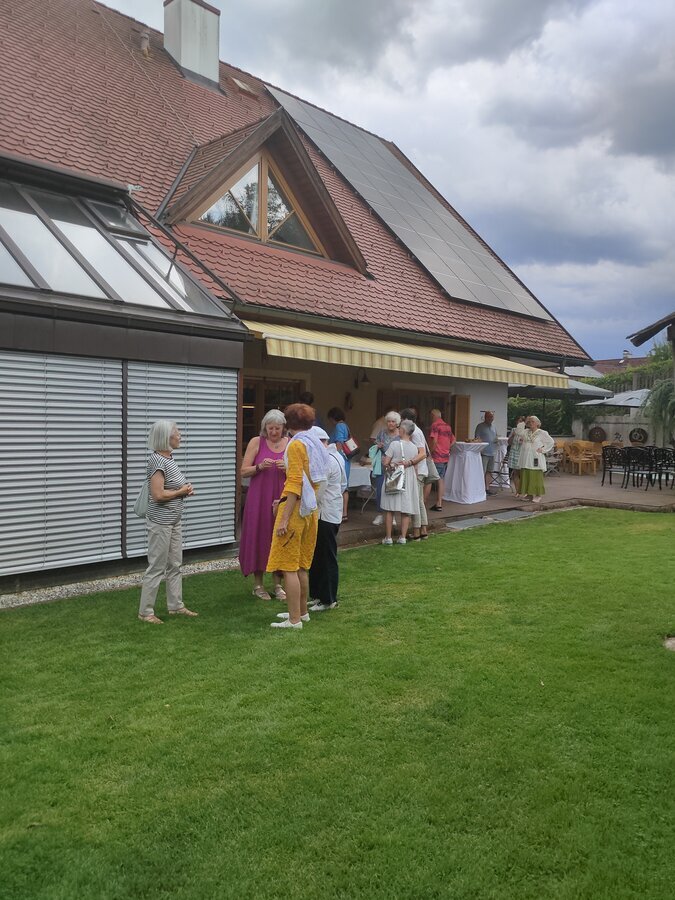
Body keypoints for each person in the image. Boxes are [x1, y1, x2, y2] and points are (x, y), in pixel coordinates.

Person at [268, 403, 328, 629]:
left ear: (288, 423)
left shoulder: (296, 445)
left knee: (289, 567)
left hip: (296, 509)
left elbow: (294, 483)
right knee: (302, 566)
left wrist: (283, 519)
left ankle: (294, 620)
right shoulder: (315, 443)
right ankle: (301, 613)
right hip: (311, 510)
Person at [138, 421, 197, 624]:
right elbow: (157, 495)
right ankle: (146, 612)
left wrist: (185, 490)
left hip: (174, 520)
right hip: (160, 522)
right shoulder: (157, 460)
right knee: (157, 566)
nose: (180, 436)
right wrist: (181, 491)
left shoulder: (169, 459)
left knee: (175, 565)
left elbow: (171, 488)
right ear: (166, 437)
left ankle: (176, 606)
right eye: (177, 433)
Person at [239, 409, 289, 600]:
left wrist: (288, 467)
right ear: (264, 427)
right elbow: (243, 471)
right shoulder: (256, 442)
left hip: (282, 497)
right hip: (259, 498)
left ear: (283, 428)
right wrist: (259, 467)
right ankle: (258, 585)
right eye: (270, 428)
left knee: (279, 537)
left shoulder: (290, 443)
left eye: (277, 428)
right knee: (259, 536)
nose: (274, 432)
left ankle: (278, 584)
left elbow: (300, 472)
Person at [307, 427, 347, 612]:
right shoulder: (336, 456)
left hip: (326, 514)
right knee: (317, 556)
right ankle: (317, 594)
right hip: (330, 511)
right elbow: (343, 484)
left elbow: (319, 491)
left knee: (326, 557)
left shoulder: (327, 460)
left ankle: (328, 598)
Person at [380, 419, 425, 544]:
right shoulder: (414, 447)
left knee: (390, 508)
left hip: (395, 476)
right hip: (409, 477)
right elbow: (415, 466)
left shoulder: (394, 444)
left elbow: (386, 462)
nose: (398, 429)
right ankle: (402, 537)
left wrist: (389, 463)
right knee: (406, 509)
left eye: (399, 428)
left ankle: (388, 537)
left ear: (403, 430)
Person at [399, 407, 429, 539]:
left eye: (401, 420)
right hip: (420, 470)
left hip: (418, 471)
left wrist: (410, 463)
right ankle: (423, 530)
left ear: (406, 419)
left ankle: (417, 531)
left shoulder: (414, 432)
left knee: (415, 501)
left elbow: (422, 453)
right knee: (419, 501)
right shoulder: (417, 430)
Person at [371, 411, 401, 526]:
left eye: (393, 421)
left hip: (394, 467)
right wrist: (377, 446)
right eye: (388, 421)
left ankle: (392, 516)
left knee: (392, 491)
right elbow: (375, 447)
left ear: (397, 423)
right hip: (382, 466)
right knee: (379, 490)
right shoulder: (382, 433)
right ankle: (380, 514)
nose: (390, 424)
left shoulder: (400, 435)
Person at [517, 416, 555, 502]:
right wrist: (524, 422)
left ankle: (538, 495)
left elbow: (551, 442)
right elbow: (518, 431)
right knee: (526, 473)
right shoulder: (526, 431)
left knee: (536, 474)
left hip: (535, 457)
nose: (531, 423)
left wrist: (543, 449)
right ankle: (529, 494)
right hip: (525, 457)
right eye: (529, 422)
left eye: (533, 421)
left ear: (538, 423)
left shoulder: (542, 433)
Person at [327, 406, 352, 522]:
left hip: (340, 459)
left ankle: (341, 512)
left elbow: (339, 442)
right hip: (346, 459)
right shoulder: (345, 425)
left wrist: (336, 456)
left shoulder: (338, 426)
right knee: (344, 486)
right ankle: (344, 513)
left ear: (333, 417)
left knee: (339, 486)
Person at [426, 408, 455, 511]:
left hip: (436, 456)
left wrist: (429, 453)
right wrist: (446, 448)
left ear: (433, 415)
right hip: (445, 457)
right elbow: (454, 440)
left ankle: (423, 503)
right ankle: (439, 503)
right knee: (441, 479)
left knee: (429, 479)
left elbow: (434, 442)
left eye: (431, 416)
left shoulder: (435, 425)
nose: (430, 418)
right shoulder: (447, 426)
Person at [474, 411, 498, 495]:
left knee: (489, 471)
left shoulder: (494, 427)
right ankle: (480, 489)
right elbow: (477, 438)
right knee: (482, 471)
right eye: (489, 417)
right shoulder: (480, 426)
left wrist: (496, 440)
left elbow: (495, 437)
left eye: (492, 417)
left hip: (492, 452)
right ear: (485, 417)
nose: (490, 418)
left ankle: (487, 488)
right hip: (484, 452)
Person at [506, 416, 527, 496]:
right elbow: (509, 442)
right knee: (515, 472)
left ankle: (524, 490)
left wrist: (523, 440)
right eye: (518, 421)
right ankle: (517, 491)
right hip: (514, 452)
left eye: (521, 421)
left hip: (522, 453)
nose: (519, 423)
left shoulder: (526, 431)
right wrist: (512, 436)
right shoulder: (513, 430)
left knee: (522, 473)